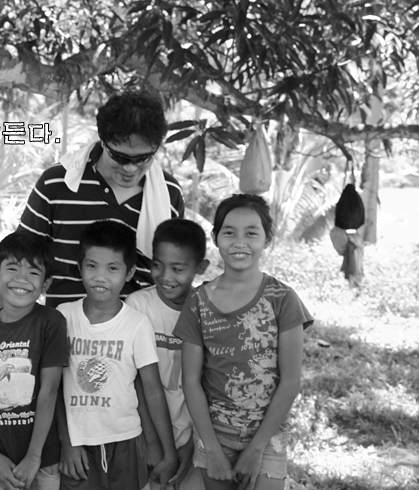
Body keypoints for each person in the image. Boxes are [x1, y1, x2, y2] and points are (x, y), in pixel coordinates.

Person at [173, 195, 313, 490]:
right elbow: (191, 381)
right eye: (229, 232)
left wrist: (257, 448)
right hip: (214, 433)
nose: (239, 242)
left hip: (268, 434)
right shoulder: (198, 302)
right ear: (215, 237)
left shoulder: (283, 299)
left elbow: (290, 381)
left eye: (251, 233)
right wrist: (211, 449)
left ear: (267, 239)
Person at [19, 90, 185, 307]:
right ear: (103, 141)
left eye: (143, 158)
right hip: (63, 323)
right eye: (120, 157)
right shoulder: (57, 183)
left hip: (142, 324)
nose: (130, 168)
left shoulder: (169, 193)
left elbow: (175, 269)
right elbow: (19, 256)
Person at [56, 220, 179, 490]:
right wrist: (67, 442)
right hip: (78, 448)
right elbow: (52, 388)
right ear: (80, 267)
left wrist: (166, 450)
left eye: (112, 268)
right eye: (92, 266)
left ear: (129, 272)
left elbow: (152, 391)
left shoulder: (137, 324)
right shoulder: (62, 317)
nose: (100, 277)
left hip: (126, 443)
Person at [0, 231, 68, 490]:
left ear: (46, 284)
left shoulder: (51, 322)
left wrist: (34, 457)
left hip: (42, 461)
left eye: (33, 272)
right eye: (12, 268)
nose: (22, 279)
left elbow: (49, 391)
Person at [126, 219, 210, 490]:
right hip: (143, 435)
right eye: (157, 265)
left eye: (178, 269)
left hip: (191, 437)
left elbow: (210, 383)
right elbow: (135, 382)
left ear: (200, 268)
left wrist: (193, 442)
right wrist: (155, 444)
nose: (165, 276)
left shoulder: (208, 310)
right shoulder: (139, 306)